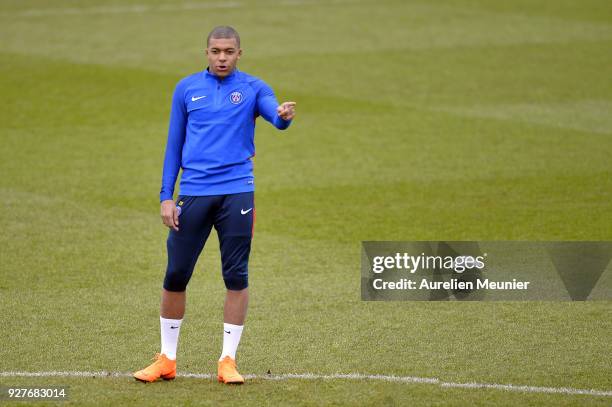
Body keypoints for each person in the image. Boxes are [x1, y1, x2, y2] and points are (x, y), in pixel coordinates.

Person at [133, 25, 296, 384]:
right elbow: (173, 145)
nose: (222, 57)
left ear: (240, 54)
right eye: (216, 51)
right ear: (206, 53)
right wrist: (165, 196)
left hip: (237, 191)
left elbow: (273, 114)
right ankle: (167, 359)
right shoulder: (186, 89)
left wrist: (282, 116)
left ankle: (228, 361)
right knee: (176, 274)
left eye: (229, 52)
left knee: (236, 276)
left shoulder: (254, 88)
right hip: (193, 192)